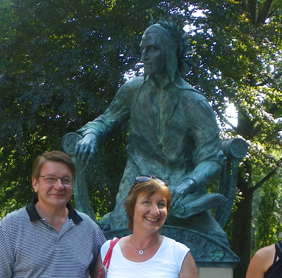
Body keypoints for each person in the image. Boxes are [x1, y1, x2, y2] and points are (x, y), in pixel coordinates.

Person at [74, 20, 228, 245]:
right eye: (143, 49)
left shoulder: (195, 103)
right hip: (137, 178)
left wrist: (185, 186)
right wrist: (91, 135)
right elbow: (106, 120)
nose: (144, 56)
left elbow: (212, 158)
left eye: (152, 49)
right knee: (118, 230)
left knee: (215, 242)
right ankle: (113, 219)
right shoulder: (132, 90)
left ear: (170, 53)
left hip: (179, 183)